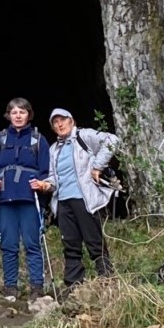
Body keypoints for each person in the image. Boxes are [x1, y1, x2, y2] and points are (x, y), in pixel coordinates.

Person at [38, 108, 118, 289]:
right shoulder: (53, 150)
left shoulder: (84, 136)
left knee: (93, 240)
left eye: (63, 120)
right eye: (55, 122)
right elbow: (53, 177)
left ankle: (107, 279)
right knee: (70, 243)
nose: (60, 124)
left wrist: (97, 166)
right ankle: (73, 285)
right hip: (63, 201)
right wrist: (46, 185)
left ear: (71, 121)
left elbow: (112, 140)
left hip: (84, 198)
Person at [0, 97, 51, 299]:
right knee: (8, 243)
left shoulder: (39, 140)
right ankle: (10, 286)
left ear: (29, 114)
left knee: (32, 242)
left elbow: (46, 170)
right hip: (5, 198)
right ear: (8, 115)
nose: (18, 116)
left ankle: (37, 286)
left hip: (30, 198)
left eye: (22, 112)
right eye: (14, 112)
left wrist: (41, 183)